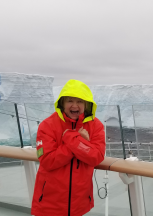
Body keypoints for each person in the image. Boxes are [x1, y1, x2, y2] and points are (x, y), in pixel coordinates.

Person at [31, 79, 106, 216]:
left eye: (79, 101)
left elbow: (96, 157)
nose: (74, 105)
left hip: (79, 201)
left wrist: (71, 139)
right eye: (70, 101)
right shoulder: (47, 125)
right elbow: (48, 160)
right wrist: (80, 143)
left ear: (86, 104)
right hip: (49, 202)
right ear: (62, 103)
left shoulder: (96, 126)